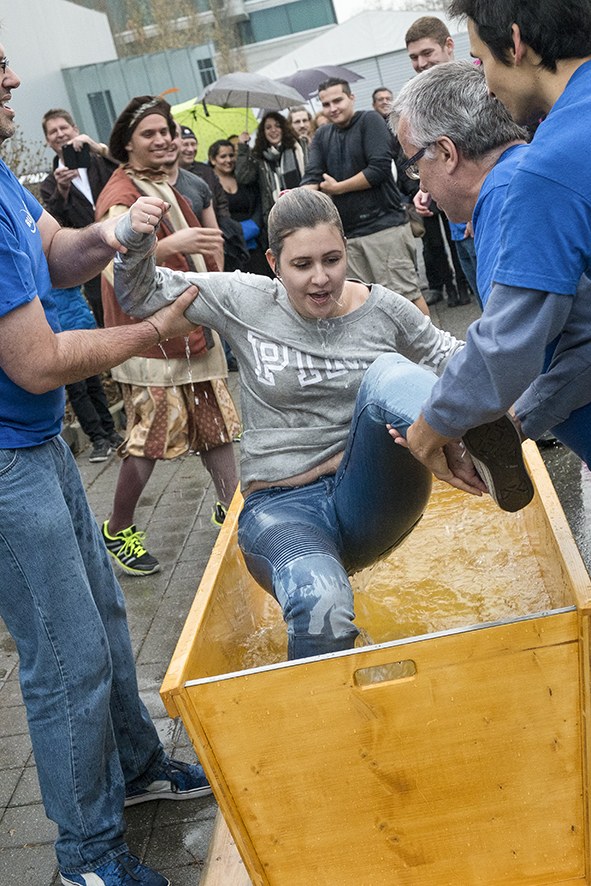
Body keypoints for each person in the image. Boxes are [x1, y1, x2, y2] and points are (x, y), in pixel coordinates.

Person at [110, 188, 488, 661]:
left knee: (391, 374)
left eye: (332, 260)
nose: (321, 278)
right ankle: (320, 698)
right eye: (302, 265)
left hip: (373, 494)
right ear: (274, 263)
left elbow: (451, 356)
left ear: (346, 250)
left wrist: (523, 374)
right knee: (321, 605)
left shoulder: (384, 308)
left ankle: (477, 443)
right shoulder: (245, 299)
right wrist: (135, 239)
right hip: (282, 510)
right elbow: (140, 296)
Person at [0, 50, 211, 886]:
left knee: (104, 618)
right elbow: (36, 362)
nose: (13, 82)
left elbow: (58, 253)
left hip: (36, 443)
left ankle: (134, 768)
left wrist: (116, 234)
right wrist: (154, 330)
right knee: (65, 657)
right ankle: (86, 854)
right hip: (6, 461)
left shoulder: (4, 181)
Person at [391, 0, 591, 492]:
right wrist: (520, 419)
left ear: (515, 43)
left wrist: (430, 429)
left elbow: (507, 345)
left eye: (480, 60)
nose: (487, 85)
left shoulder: (542, 175)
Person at [96, 95, 240, 576]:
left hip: (189, 330)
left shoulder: (163, 183)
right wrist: (172, 243)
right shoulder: (120, 193)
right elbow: (110, 263)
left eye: (166, 131)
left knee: (215, 423)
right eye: (150, 134)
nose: (163, 140)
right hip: (151, 341)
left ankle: (233, 509)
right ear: (127, 144)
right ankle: (117, 528)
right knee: (151, 437)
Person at [301, 77, 429, 316]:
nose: (333, 108)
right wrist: (296, 199)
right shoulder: (322, 134)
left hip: (384, 229)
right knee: (362, 310)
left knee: (405, 300)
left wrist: (338, 188)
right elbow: (312, 176)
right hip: (347, 237)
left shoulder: (370, 120)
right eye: (326, 104)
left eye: (337, 100)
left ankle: (430, 342)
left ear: (351, 97)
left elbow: (378, 170)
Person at [404, 17, 473, 308]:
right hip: (458, 228)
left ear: (449, 45)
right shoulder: (422, 100)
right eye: (413, 57)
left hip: (480, 218)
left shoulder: (474, 86)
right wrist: (426, 187)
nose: (420, 63)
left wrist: (477, 208)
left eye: (427, 53)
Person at [40, 108, 117, 327]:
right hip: (91, 262)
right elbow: (55, 227)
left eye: (63, 127)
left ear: (75, 130)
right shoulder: (50, 184)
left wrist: (98, 148)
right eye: (53, 131)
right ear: (47, 141)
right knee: (106, 318)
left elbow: (129, 165)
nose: (60, 134)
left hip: (123, 245)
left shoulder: (100, 161)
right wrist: (61, 190)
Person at [52, 284, 124, 461]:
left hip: (79, 327)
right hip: (62, 337)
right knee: (78, 390)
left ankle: (109, 433)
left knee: (93, 385)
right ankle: (99, 438)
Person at [234, 110, 306, 243]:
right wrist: (243, 147)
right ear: (263, 132)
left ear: (284, 128)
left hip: (304, 210)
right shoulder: (258, 157)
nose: (273, 130)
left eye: (277, 126)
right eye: (268, 127)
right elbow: (243, 177)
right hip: (277, 218)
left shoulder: (298, 148)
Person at [208, 137, 271, 277]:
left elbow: (258, 201)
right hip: (230, 247)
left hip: (254, 245)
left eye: (231, 155)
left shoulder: (243, 178)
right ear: (213, 160)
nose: (228, 160)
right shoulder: (209, 184)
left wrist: (254, 226)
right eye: (223, 156)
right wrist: (235, 232)